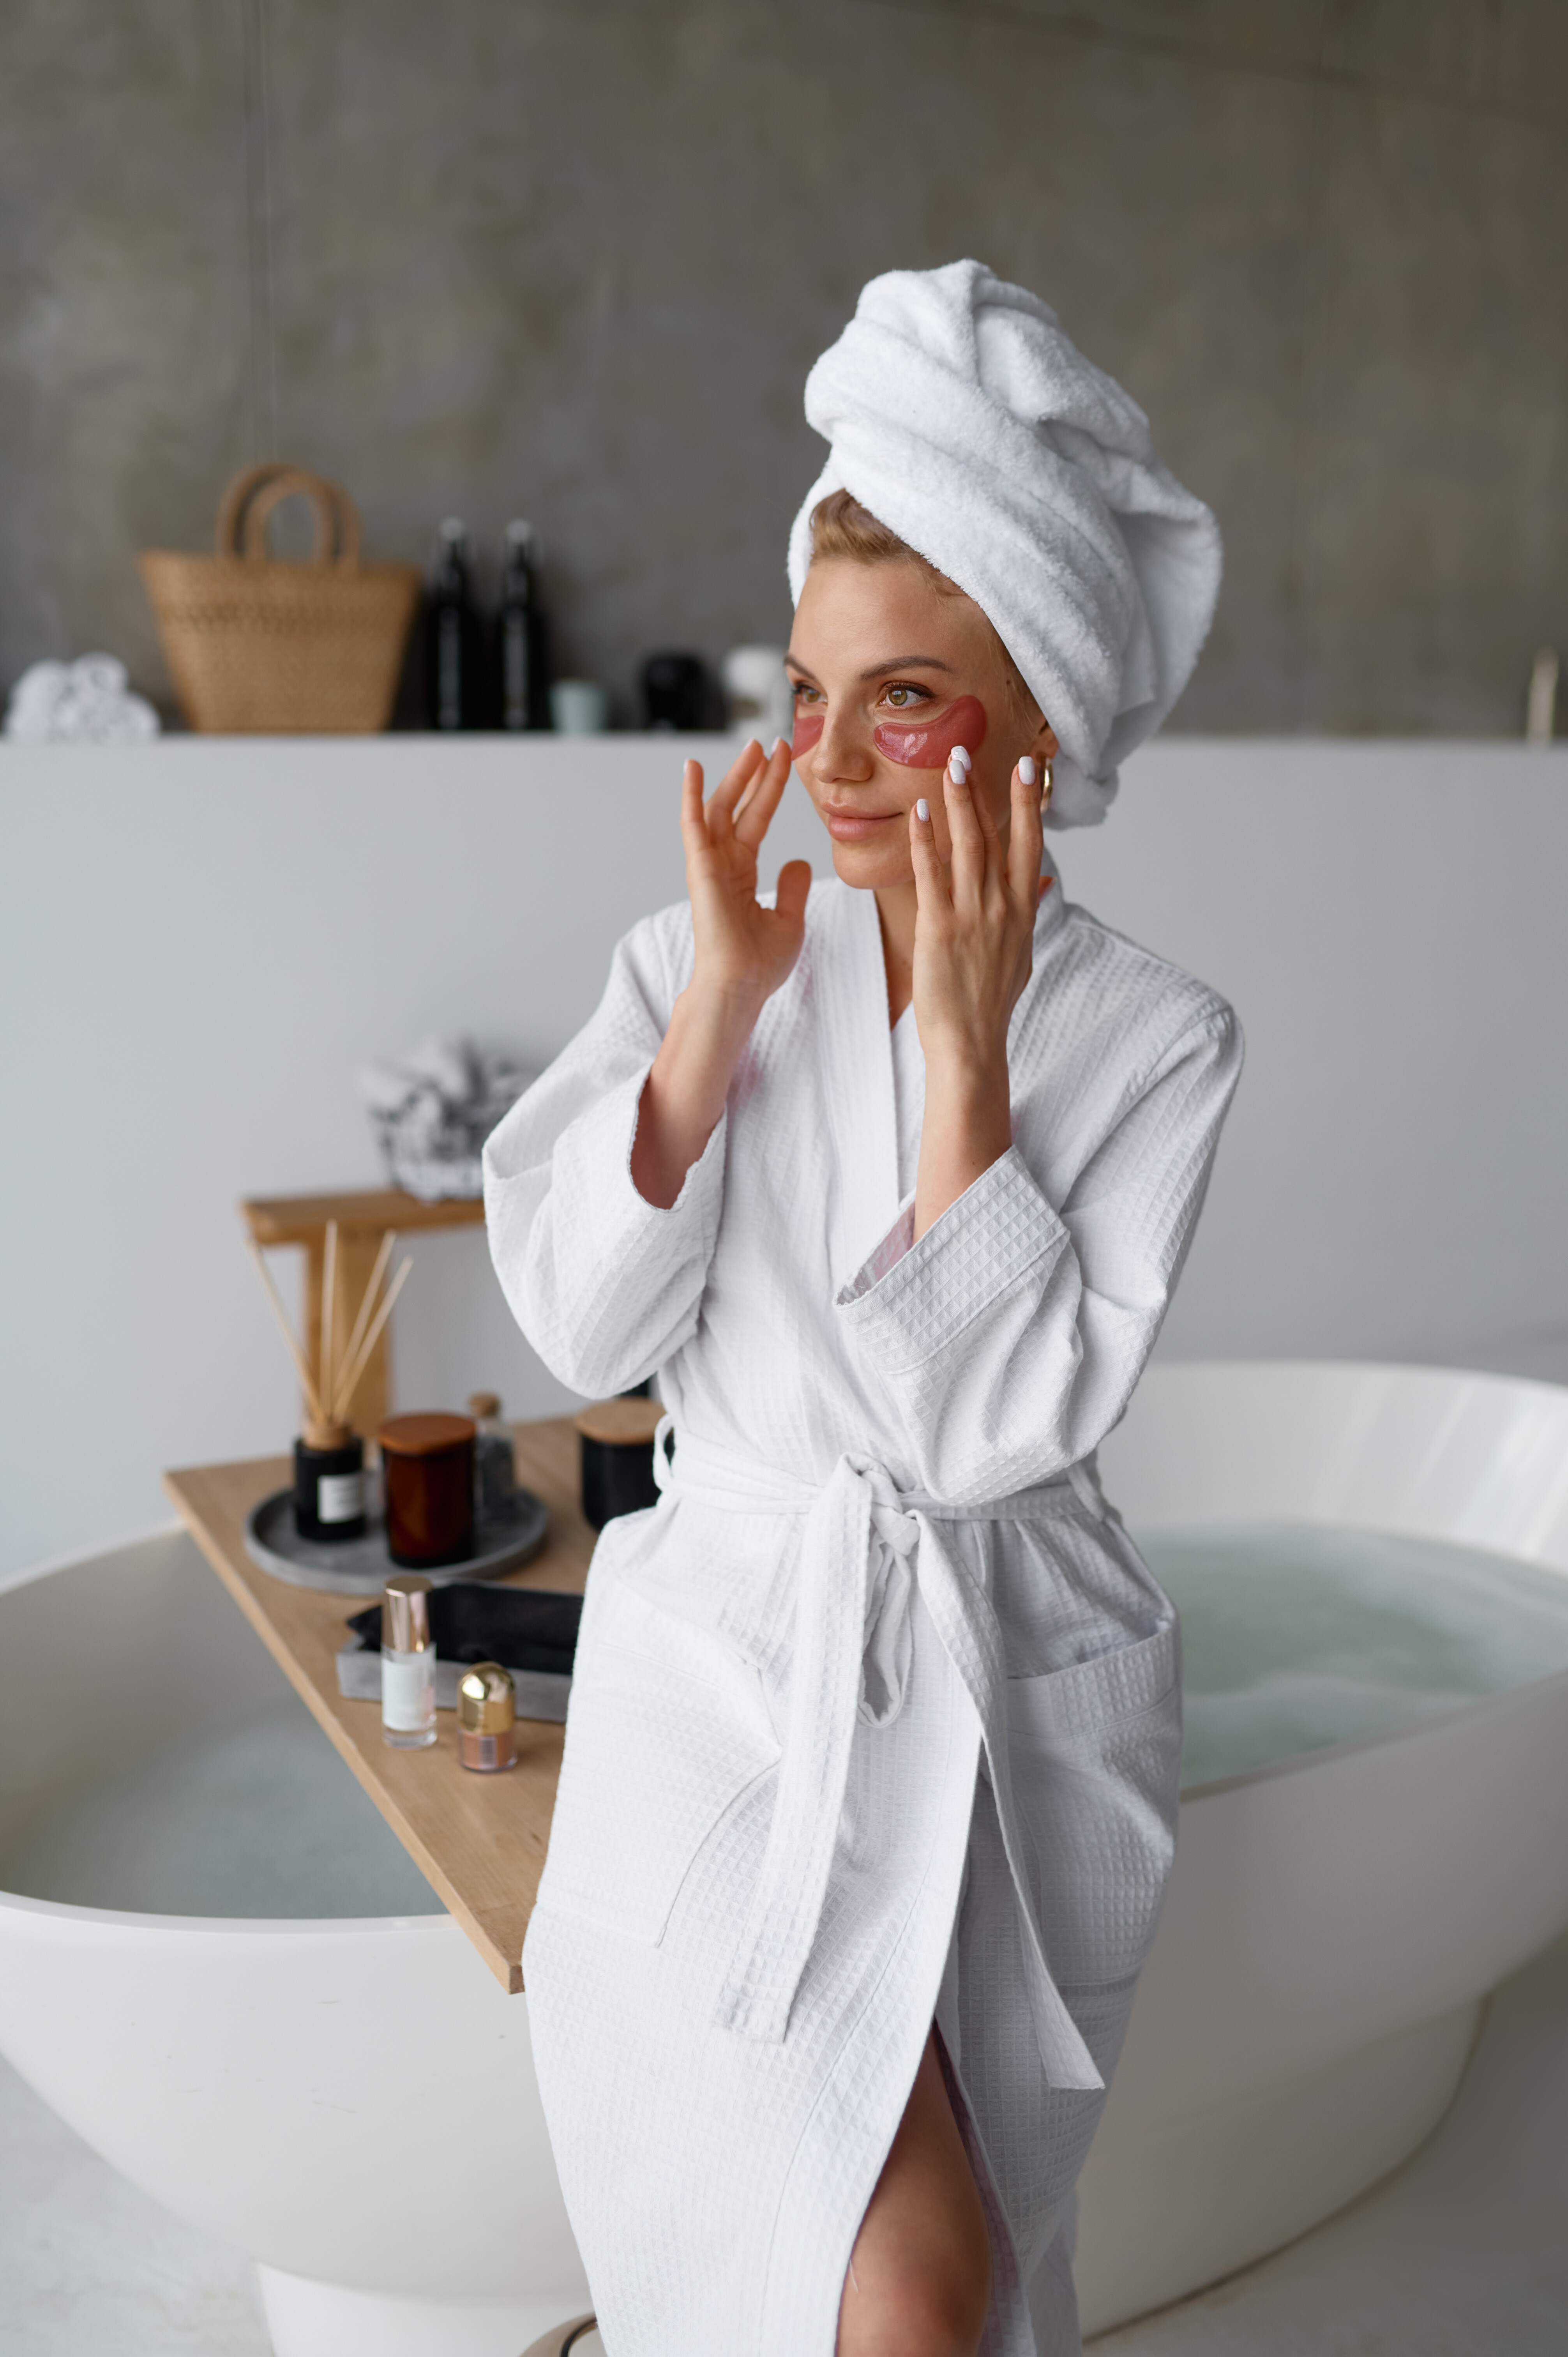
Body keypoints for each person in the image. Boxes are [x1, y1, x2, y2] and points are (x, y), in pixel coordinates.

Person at [485, 260, 1243, 2357]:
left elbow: (998, 1432)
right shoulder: (703, 957)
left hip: (1003, 1696)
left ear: (1041, 719)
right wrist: (718, 1018)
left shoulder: (1155, 1039)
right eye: (807, 692)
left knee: (958, 2281)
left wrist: (966, 1064)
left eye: (901, 697)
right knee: (890, 2289)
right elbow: (579, 1332)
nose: (828, 759)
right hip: (731, 1671)